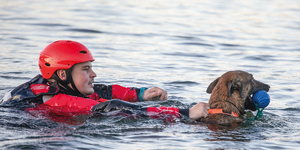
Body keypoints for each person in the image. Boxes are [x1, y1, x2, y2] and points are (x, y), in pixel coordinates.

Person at [0, 40, 209, 123]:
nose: (93, 74)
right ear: (63, 75)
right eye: (86, 69)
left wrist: (140, 94)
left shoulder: (54, 82)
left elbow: (103, 91)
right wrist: (184, 113)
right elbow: (109, 106)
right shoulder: (52, 99)